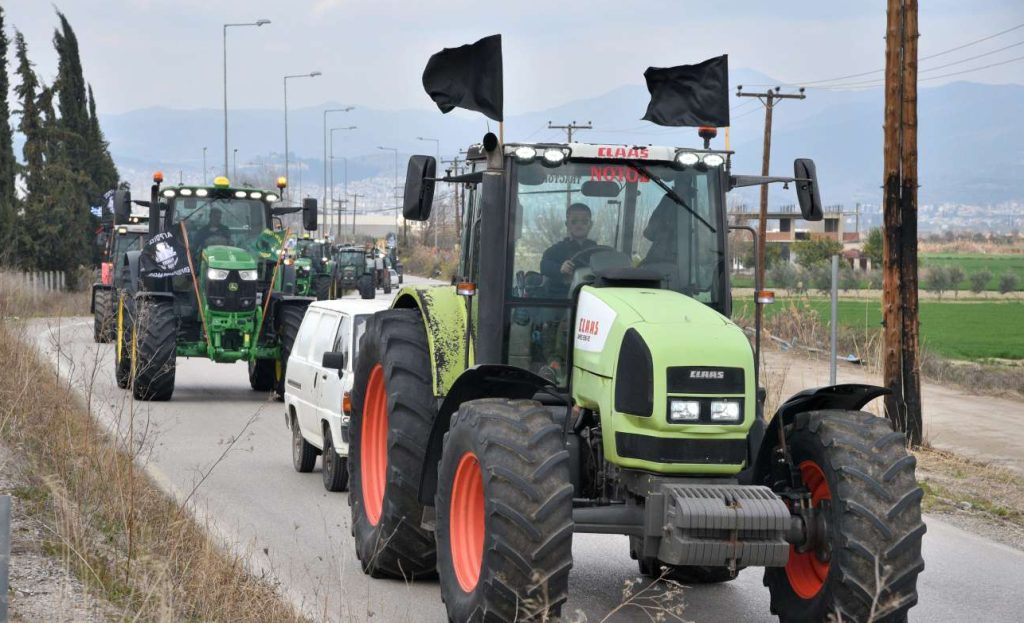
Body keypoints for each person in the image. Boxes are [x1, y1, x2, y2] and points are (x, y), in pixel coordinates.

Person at [540, 203, 596, 297]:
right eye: (574, 222)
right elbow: (544, 265)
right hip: (561, 298)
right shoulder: (558, 249)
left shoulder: (596, 250)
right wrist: (560, 268)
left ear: (590, 224)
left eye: (584, 221)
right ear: (567, 224)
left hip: (591, 295)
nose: (579, 225)